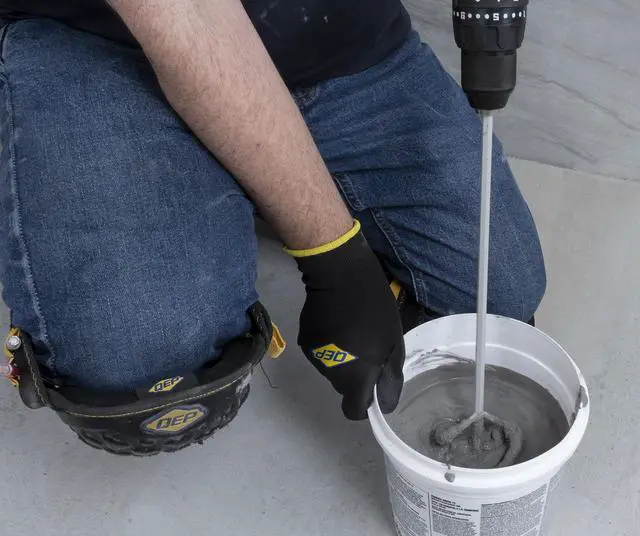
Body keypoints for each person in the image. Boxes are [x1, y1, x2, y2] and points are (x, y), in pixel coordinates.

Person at [0, 0, 546, 455]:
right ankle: (231, 178)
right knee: (141, 368)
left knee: (494, 301)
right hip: (108, 42)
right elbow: (190, 14)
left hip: (331, 31)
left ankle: (254, 178)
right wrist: (334, 260)